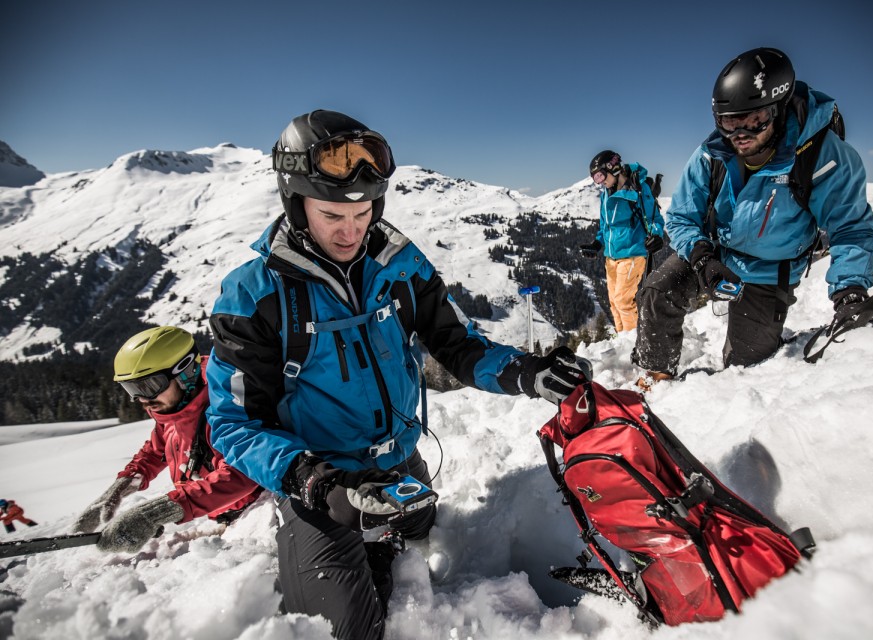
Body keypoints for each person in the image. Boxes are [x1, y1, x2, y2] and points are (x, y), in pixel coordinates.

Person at [204, 109, 592, 640]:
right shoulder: (254, 296)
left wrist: (527, 372)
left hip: (400, 468)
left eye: (362, 213)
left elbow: (457, 345)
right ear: (296, 206)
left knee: (418, 546)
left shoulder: (399, 265)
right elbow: (232, 422)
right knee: (349, 631)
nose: (351, 231)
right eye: (331, 215)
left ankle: (380, 545)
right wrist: (314, 481)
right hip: (326, 486)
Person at [633, 47, 873, 385]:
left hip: (769, 270)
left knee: (745, 370)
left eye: (752, 123)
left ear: (778, 112)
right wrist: (702, 258)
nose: (739, 137)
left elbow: (851, 228)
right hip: (716, 254)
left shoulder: (822, 155)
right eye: (728, 123)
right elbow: (680, 217)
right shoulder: (712, 154)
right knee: (657, 292)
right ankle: (655, 373)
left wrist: (849, 291)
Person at [74, 326, 262, 553]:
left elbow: (241, 474)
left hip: (257, 516)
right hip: (221, 515)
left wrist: (158, 513)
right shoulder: (173, 411)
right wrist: (120, 487)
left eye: (150, 386)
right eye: (132, 389)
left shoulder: (225, 406)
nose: (142, 399)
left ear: (185, 372)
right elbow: (155, 451)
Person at [579, 150, 665, 333]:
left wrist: (657, 235)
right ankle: (622, 341)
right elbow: (605, 226)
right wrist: (597, 244)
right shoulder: (606, 194)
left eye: (601, 175)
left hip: (633, 253)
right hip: (611, 256)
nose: (600, 182)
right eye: (596, 179)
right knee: (614, 303)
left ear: (613, 167)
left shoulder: (638, 188)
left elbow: (654, 219)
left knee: (623, 301)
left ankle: (633, 343)